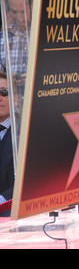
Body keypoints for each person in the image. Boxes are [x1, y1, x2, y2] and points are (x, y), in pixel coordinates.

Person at [0, 0, 32, 107]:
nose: (19, 18)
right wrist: (7, 79)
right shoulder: (3, 39)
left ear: (33, 5)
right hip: (11, 110)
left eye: (23, 11)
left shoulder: (47, 35)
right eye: (14, 12)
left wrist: (34, 78)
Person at [0, 71, 15, 217]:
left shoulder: (26, 133)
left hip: (11, 215)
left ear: (15, 98)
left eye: (4, 92)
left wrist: (2, 199)